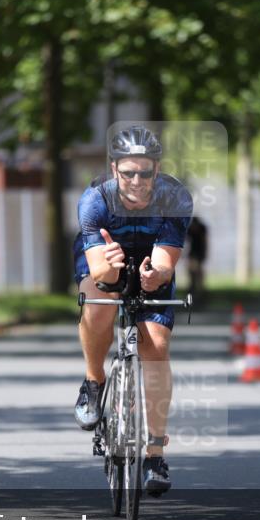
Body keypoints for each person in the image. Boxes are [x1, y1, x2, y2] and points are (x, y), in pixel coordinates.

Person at [72, 125, 192, 497]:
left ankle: (155, 454)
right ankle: (94, 382)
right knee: (99, 303)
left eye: (144, 172)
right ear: (113, 170)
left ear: (157, 170)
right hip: (105, 259)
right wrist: (111, 267)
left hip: (151, 262)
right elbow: (101, 273)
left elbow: (163, 266)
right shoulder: (94, 200)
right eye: (128, 173)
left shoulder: (175, 198)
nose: (137, 180)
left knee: (155, 345)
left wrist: (153, 277)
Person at [186, 216, 208, 305]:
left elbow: (204, 241)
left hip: (198, 254)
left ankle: (199, 291)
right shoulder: (192, 230)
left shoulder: (201, 229)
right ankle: (193, 289)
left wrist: (204, 253)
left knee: (198, 273)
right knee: (192, 273)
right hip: (193, 254)